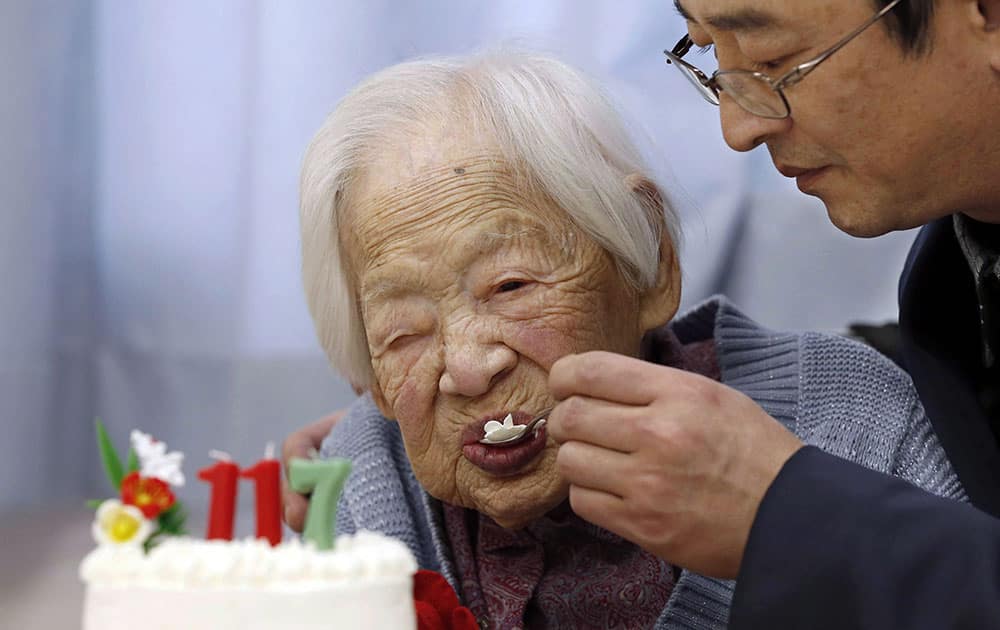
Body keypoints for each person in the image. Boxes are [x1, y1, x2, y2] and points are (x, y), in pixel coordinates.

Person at [290, 49, 964, 628]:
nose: (468, 369)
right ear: (372, 374)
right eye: (405, 332)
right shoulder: (363, 480)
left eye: (512, 286)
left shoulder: (848, 423)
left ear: (648, 263)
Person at [551, 0, 1000, 627]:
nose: (738, 130)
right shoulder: (951, 288)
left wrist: (791, 516)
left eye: (772, 61)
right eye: (708, 54)